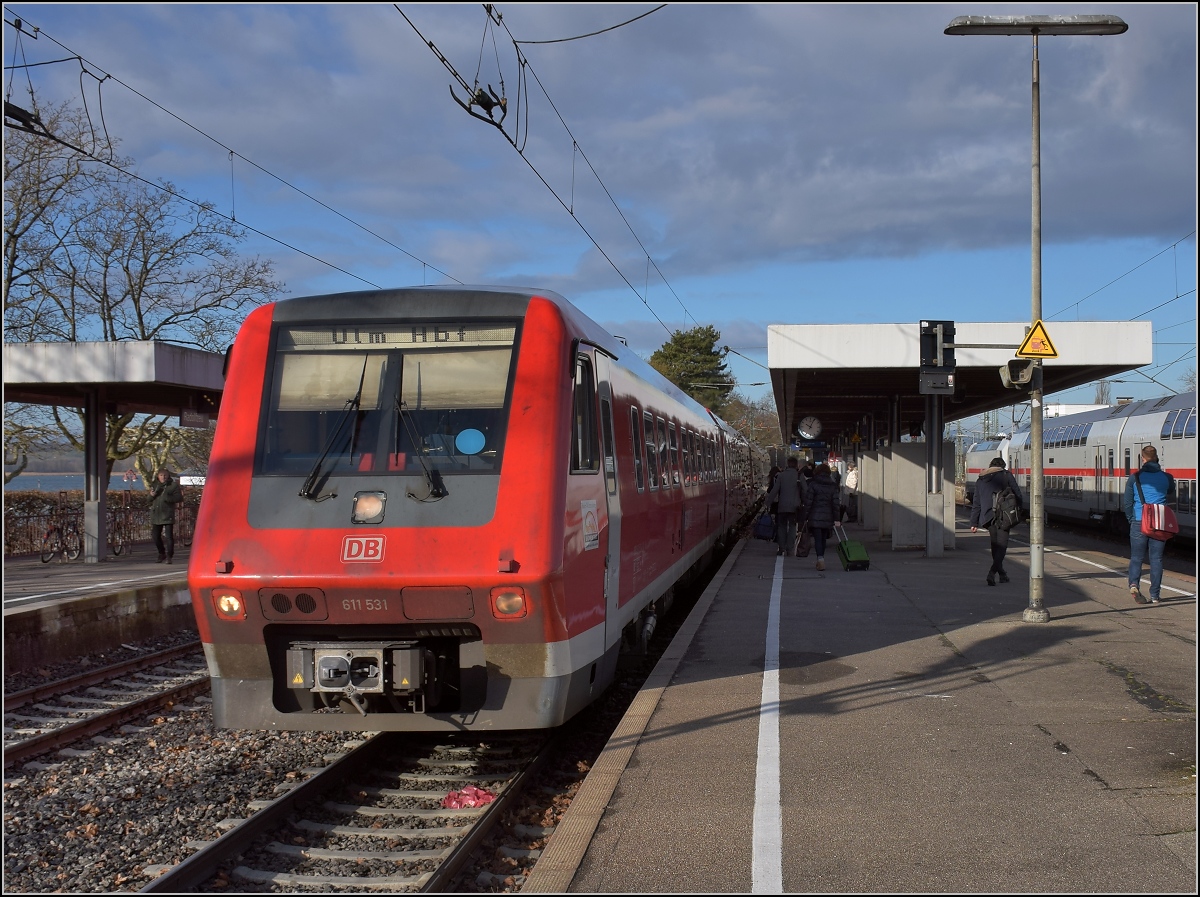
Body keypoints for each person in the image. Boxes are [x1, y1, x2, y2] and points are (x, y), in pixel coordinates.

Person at [1123, 444, 1176, 604]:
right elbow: (1171, 492)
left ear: (1143, 459)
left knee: (1136, 557)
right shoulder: (1167, 477)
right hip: (1159, 523)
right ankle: (1155, 595)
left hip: (1139, 521)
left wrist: (1131, 519)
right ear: (1157, 458)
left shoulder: (1135, 477)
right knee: (1156, 559)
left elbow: (1127, 502)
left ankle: (1133, 584)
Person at [969, 456, 1023, 586]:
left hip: (987, 516)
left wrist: (973, 522)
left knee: (995, 545)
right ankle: (992, 573)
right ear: (1002, 466)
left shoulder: (980, 479)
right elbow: (1018, 494)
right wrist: (1018, 510)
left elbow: (976, 503)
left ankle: (1002, 574)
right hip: (1004, 515)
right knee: (1002, 546)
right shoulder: (1006, 475)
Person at [804, 462, 841, 571]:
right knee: (823, 539)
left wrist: (805, 516)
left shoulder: (813, 484)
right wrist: (837, 519)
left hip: (815, 515)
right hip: (828, 516)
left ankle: (820, 560)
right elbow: (836, 504)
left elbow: (808, 502)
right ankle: (821, 559)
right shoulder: (833, 485)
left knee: (817, 539)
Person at [766, 457, 805, 557]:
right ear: (796, 465)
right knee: (792, 527)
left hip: (782, 506)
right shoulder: (799, 475)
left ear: (787, 464)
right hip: (795, 507)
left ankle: (781, 548)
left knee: (781, 526)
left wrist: (768, 503)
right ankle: (790, 549)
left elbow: (774, 491)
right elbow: (806, 489)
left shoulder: (781, 475)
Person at [150, 468, 184, 564]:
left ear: (168, 476)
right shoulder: (155, 485)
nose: (163, 477)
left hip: (167, 513)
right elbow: (148, 499)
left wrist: (167, 498)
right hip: (156, 514)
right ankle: (161, 553)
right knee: (155, 536)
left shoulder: (173, 486)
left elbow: (179, 498)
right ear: (158, 476)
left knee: (169, 536)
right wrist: (151, 496)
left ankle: (169, 555)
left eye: (165, 475)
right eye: (161, 475)